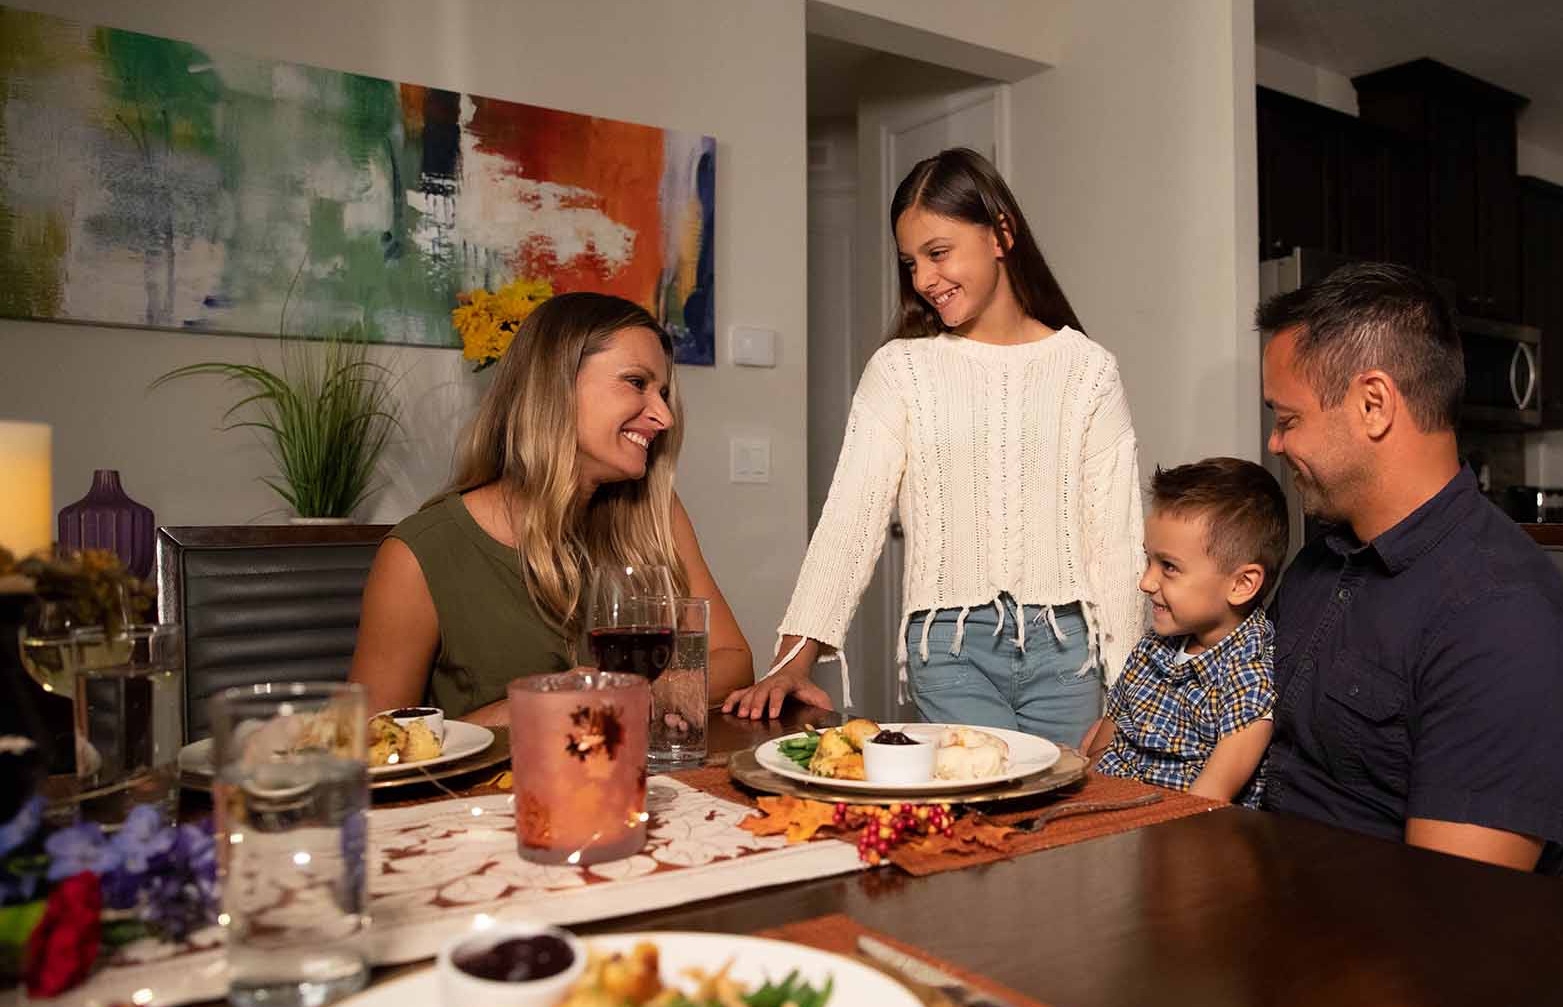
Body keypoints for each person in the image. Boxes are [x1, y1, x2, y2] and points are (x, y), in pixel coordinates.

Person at [723, 148, 1145, 745]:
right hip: (948, 649)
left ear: (1001, 234)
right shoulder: (901, 370)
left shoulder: (1089, 372)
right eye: (910, 262)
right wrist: (793, 660)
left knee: (1064, 822)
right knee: (983, 812)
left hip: (1070, 654)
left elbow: (1119, 545)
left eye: (938, 253)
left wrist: (1127, 700)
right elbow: (851, 519)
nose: (922, 279)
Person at [1256, 262, 1563, 872]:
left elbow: (1452, 915)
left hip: (1360, 944)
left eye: (1288, 420)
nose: (1275, 445)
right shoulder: (1321, 563)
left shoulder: (1504, 620)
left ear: (1373, 404)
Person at [349, 292, 754, 724]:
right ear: (554, 386)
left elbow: (734, 660)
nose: (664, 416)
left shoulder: (655, 514)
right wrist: (534, 705)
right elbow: (374, 744)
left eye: (664, 393)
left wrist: (636, 691)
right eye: (637, 383)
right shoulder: (420, 555)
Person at [1081, 458, 1286, 804]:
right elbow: (1100, 752)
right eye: (1149, 561)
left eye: (1169, 567)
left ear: (1242, 584)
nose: (1146, 582)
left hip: (1177, 835)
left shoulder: (1248, 677)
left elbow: (1206, 800)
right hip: (1105, 812)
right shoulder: (1152, 648)